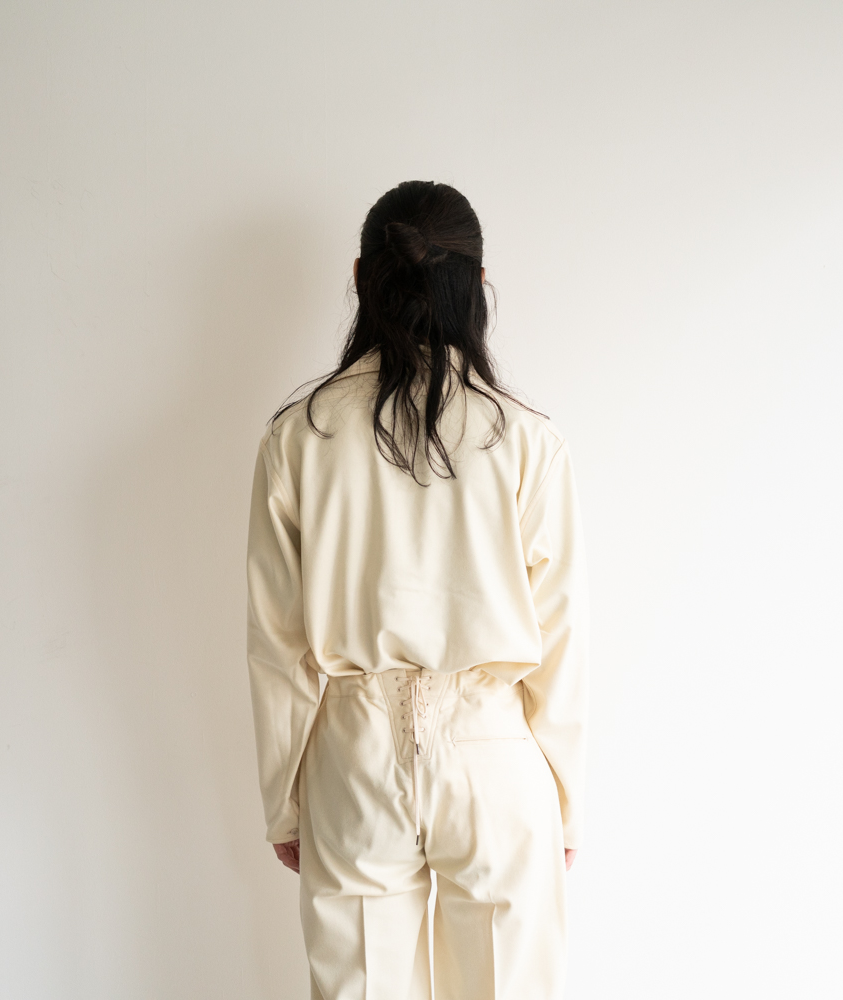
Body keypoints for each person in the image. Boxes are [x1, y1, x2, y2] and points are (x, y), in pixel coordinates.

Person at [245, 180, 588, 1000]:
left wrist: (285, 801)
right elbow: (561, 632)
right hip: (494, 754)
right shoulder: (527, 440)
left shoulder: (299, 437)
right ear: (477, 283)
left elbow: (278, 642)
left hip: (354, 755)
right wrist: (565, 803)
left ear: (362, 278)